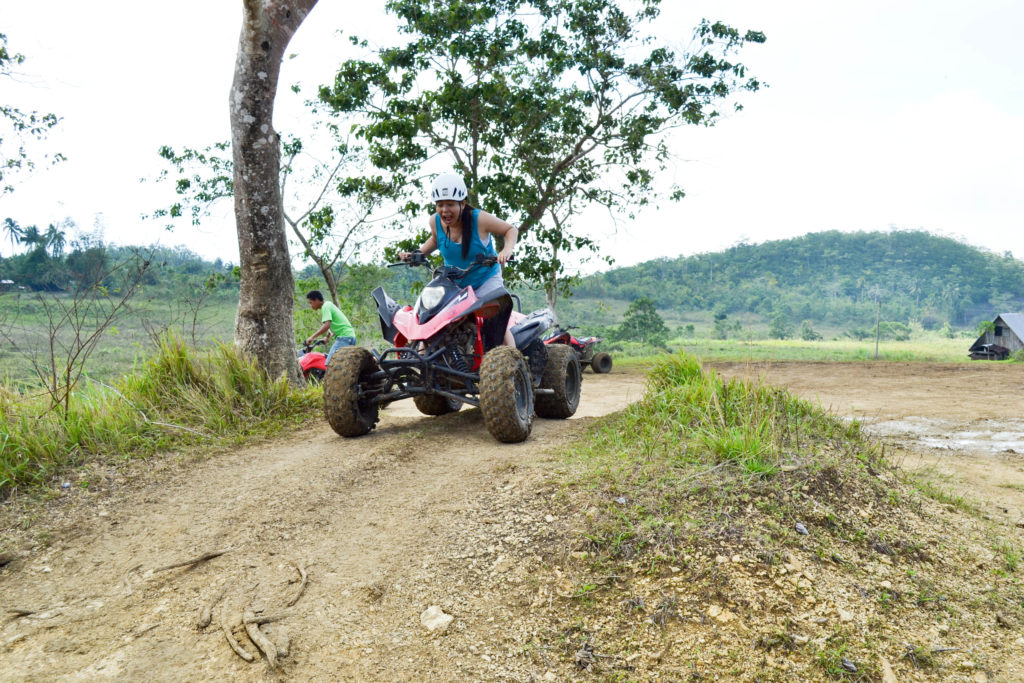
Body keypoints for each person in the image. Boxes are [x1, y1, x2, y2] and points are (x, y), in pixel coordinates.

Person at [399, 173, 519, 345]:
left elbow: (510, 230)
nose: (445, 210)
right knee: (432, 321)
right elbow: (435, 239)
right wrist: (417, 254)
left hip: (485, 280)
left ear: (462, 203)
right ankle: (421, 366)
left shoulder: (480, 219)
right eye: (440, 205)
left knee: (495, 322)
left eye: (450, 204)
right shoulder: (435, 221)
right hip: (455, 283)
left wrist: (506, 250)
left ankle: (511, 364)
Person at [305, 290, 357, 365]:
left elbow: (327, 325)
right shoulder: (328, 304)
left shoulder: (325, 307)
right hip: (350, 336)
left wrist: (312, 337)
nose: (311, 305)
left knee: (330, 363)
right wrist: (327, 337)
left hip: (344, 337)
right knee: (345, 365)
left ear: (316, 300)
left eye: (311, 302)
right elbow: (332, 324)